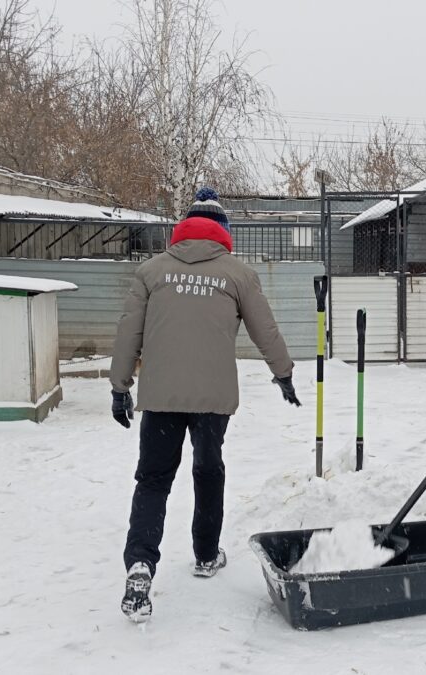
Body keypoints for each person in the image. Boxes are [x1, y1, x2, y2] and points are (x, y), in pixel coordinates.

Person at [110, 187, 300, 622]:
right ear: (224, 231)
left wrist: (120, 387)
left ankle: (140, 563)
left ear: (183, 229)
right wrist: (283, 373)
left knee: (154, 480)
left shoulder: (152, 271)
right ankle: (206, 554)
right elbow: (264, 329)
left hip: (160, 397)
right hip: (213, 400)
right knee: (208, 469)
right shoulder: (237, 274)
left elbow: (128, 332)